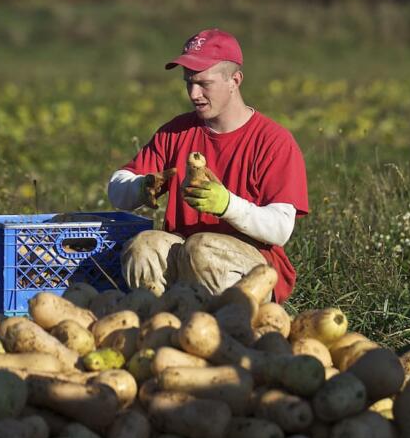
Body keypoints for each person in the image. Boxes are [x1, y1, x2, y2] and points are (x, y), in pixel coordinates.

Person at [107, 28, 308, 302]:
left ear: (234, 80)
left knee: (200, 248)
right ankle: (156, 321)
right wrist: (142, 187)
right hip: (186, 258)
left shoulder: (274, 141)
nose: (194, 93)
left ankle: (226, 326)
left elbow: (280, 229)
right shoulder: (175, 132)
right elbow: (116, 190)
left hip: (254, 266)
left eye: (204, 83)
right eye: (188, 82)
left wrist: (227, 205)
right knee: (144, 246)